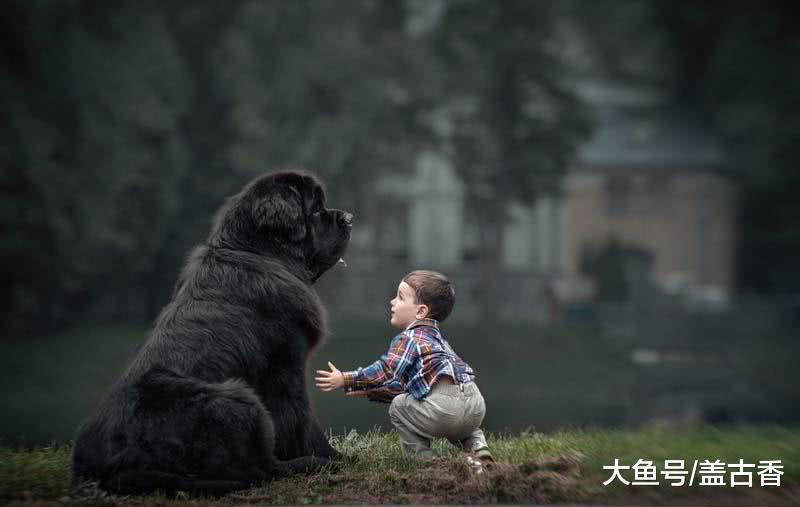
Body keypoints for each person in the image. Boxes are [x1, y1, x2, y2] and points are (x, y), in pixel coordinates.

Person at [315, 270, 493, 463]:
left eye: (400, 297)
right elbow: (409, 388)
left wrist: (346, 379)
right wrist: (371, 391)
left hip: (445, 410)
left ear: (421, 311)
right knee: (462, 422)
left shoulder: (410, 338)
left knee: (399, 407)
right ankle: (479, 449)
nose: (392, 302)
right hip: (475, 406)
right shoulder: (440, 342)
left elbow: (386, 370)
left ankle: (423, 459)